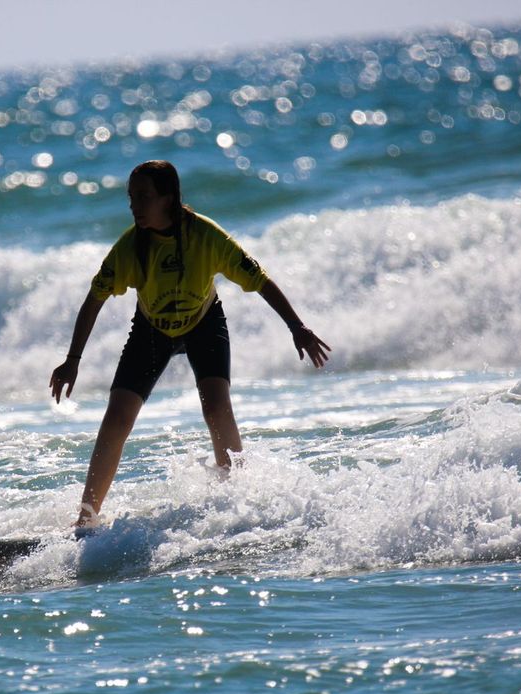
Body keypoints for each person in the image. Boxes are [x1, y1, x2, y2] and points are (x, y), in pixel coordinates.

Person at [50, 160, 330, 529]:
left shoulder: (206, 237)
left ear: (168, 198)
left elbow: (259, 279)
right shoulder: (130, 248)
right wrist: (73, 360)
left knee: (216, 406)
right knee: (117, 415)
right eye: (131, 197)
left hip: (203, 323)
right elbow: (94, 299)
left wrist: (297, 327)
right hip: (152, 330)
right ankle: (85, 519)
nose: (134, 206)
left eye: (143, 197)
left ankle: (238, 499)